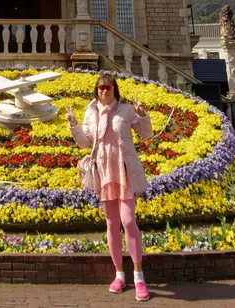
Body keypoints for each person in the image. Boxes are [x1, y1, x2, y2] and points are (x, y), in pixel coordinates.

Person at [66, 73, 153, 301]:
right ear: (96, 90)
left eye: (108, 87)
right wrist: (74, 124)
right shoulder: (90, 112)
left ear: (115, 90)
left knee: (127, 220)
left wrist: (142, 115)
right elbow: (85, 143)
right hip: (104, 173)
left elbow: (146, 134)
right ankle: (119, 274)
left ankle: (139, 275)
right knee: (112, 224)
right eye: (101, 87)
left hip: (124, 171)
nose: (104, 91)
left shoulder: (125, 110)